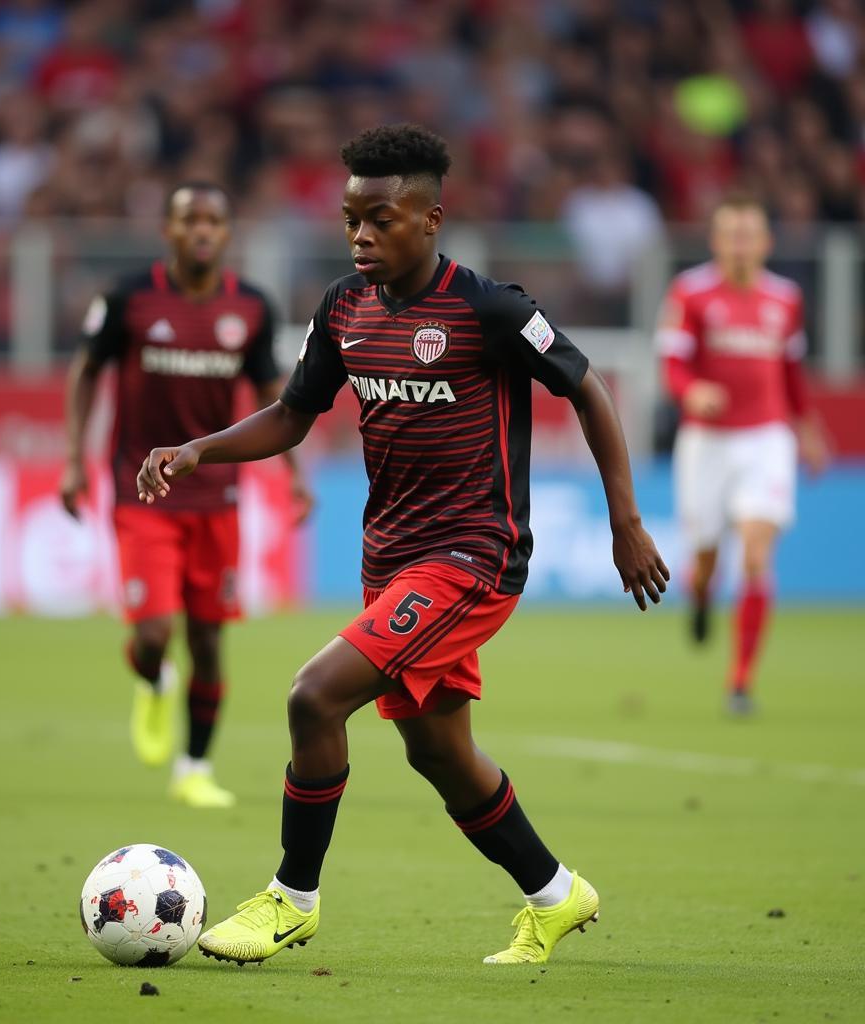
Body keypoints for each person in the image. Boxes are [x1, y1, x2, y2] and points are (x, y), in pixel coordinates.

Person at [137, 126, 668, 965]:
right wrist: (201, 447)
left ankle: (291, 900)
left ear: (430, 219)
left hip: (474, 556)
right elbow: (289, 415)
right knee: (437, 749)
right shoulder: (343, 308)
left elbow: (588, 388)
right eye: (351, 219)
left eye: (380, 219)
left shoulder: (490, 308)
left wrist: (625, 521)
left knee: (314, 697)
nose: (360, 236)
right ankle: (557, 894)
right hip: (390, 559)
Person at [62, 181, 312, 808]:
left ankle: (194, 767)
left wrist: (297, 475)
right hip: (140, 493)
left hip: (216, 499)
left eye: (213, 221)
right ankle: (154, 680)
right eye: (189, 220)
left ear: (228, 234)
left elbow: (274, 399)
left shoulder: (251, 307)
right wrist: (73, 461)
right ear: (169, 231)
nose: (201, 230)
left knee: (207, 638)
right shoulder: (129, 298)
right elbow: (87, 371)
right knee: (153, 636)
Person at [656, 193, 829, 715]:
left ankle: (740, 682)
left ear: (766, 243)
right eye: (730, 234)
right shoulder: (690, 293)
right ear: (715, 241)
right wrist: (692, 392)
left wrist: (806, 426)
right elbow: (673, 364)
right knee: (707, 560)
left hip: (766, 439)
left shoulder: (786, 299)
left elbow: (791, 372)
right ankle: (703, 596)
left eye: (749, 235)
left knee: (756, 554)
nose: (739, 245)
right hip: (706, 442)